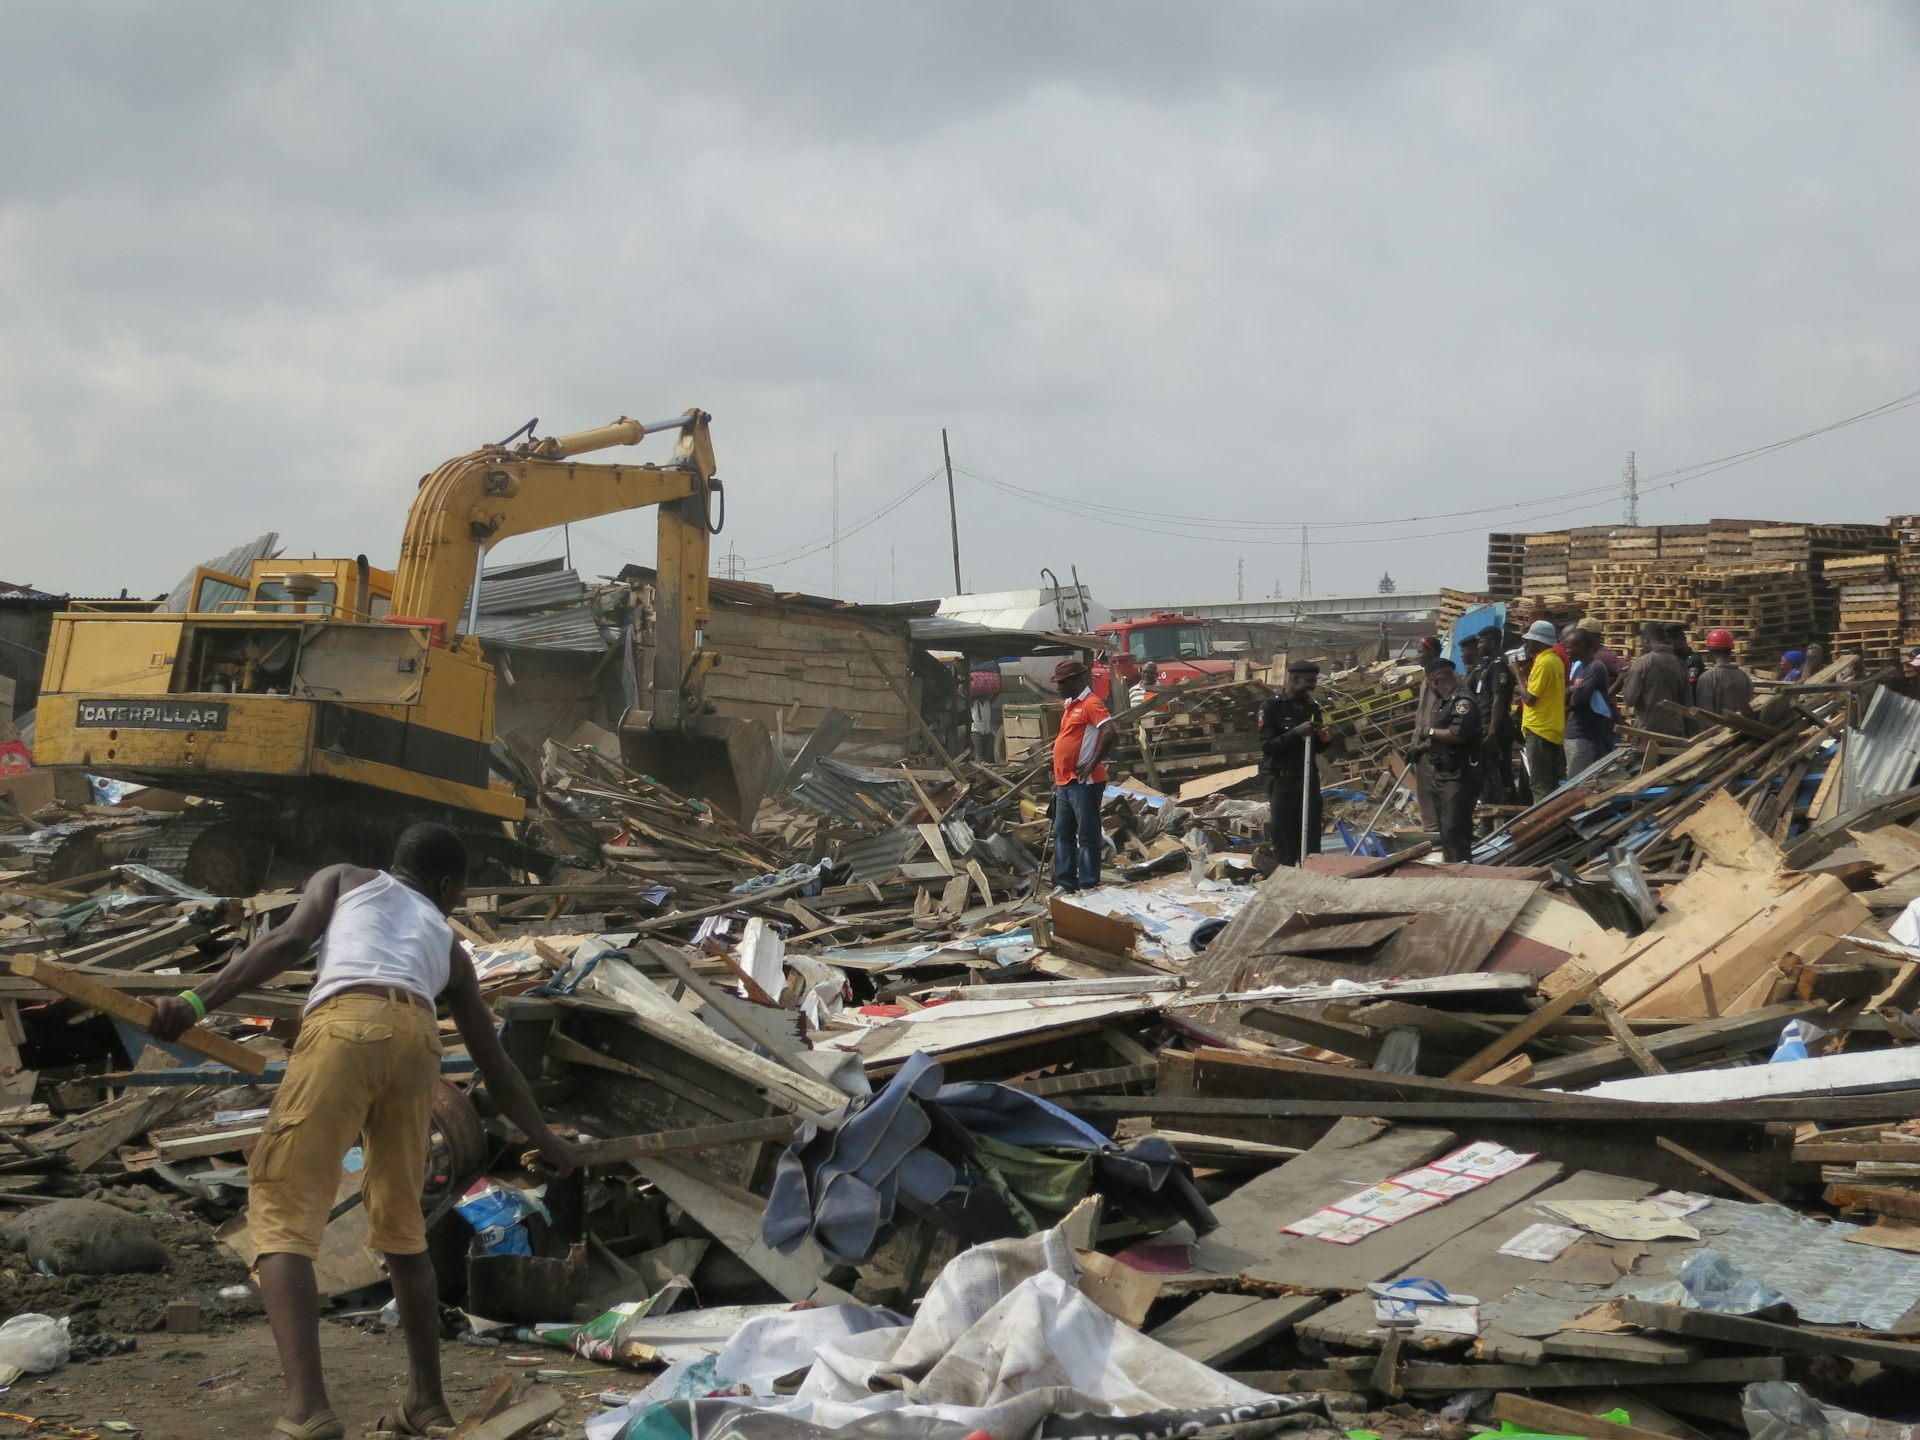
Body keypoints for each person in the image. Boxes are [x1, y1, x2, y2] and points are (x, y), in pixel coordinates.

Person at [146, 824, 575, 1440]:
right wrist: (545, 1139)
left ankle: (308, 1410)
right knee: (403, 1229)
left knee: (283, 1212)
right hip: (419, 1047)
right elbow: (496, 1064)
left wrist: (195, 1000)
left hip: (346, 1026)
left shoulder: (345, 879)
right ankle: (426, 1402)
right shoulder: (449, 949)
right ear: (448, 887)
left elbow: (289, 940)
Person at [1050, 658, 1114, 893]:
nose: (1058, 687)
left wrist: (1091, 764)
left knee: (1087, 835)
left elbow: (1109, 733)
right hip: (1066, 782)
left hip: (1084, 782)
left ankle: (1088, 883)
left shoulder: (1091, 703)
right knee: (1062, 833)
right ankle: (1066, 883)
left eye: (1062, 682)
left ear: (1075, 681)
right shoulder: (1071, 706)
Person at [1260, 659, 1333, 866]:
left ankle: (1310, 878)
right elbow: (1268, 746)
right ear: (1294, 679)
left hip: (1308, 780)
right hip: (1283, 782)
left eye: (1314, 681)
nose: (1313, 686)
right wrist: (1295, 732)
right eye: (1309, 682)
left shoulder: (1311, 707)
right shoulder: (1271, 707)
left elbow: (1317, 748)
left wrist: (1324, 741)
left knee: (1310, 837)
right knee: (1284, 837)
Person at [1415, 655, 1482, 862]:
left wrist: (1430, 732)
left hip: (1459, 775)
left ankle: (1461, 870)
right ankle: (1451, 868)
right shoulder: (1446, 702)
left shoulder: (1462, 701)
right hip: (1442, 772)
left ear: (1433, 680)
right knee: (1445, 830)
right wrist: (1423, 748)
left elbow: (1458, 734)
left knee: (1455, 829)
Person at [1470, 626, 1525, 805]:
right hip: (1486, 724)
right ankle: (1494, 813)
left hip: (1498, 727)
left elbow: (1498, 701)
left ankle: (1507, 813)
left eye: (1481, 642)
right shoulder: (1487, 664)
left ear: (1492, 643)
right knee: (1489, 773)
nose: (1478, 645)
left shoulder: (1499, 665)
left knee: (1500, 773)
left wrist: (1492, 732)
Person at [1513, 619, 1567, 794]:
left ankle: (1544, 820)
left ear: (1538, 641)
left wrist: (1517, 674)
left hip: (1539, 729)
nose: (1528, 644)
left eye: (1530, 640)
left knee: (1539, 785)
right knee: (1554, 783)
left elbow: (1530, 699)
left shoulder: (1544, 663)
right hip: (1553, 728)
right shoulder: (1555, 660)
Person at [1563, 629, 1617, 777]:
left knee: (1578, 782)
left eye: (1569, 647)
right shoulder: (1581, 667)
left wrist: (1571, 691)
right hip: (1574, 733)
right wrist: (1571, 690)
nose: (1566, 651)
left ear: (1581, 645)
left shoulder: (1596, 667)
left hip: (1585, 734)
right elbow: (1567, 696)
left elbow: (1578, 698)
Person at [1623, 623, 1689, 738]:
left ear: (1647, 639)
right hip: (1674, 733)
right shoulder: (1680, 664)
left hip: (1647, 732)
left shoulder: (1642, 663)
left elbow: (1629, 699)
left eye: (1642, 642)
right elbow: (1687, 703)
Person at [1693, 627, 1754, 720]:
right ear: (1730, 651)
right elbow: (1752, 705)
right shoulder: (1743, 676)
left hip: (1717, 733)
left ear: (1710, 652)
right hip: (1742, 731)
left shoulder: (1706, 678)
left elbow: (1704, 714)